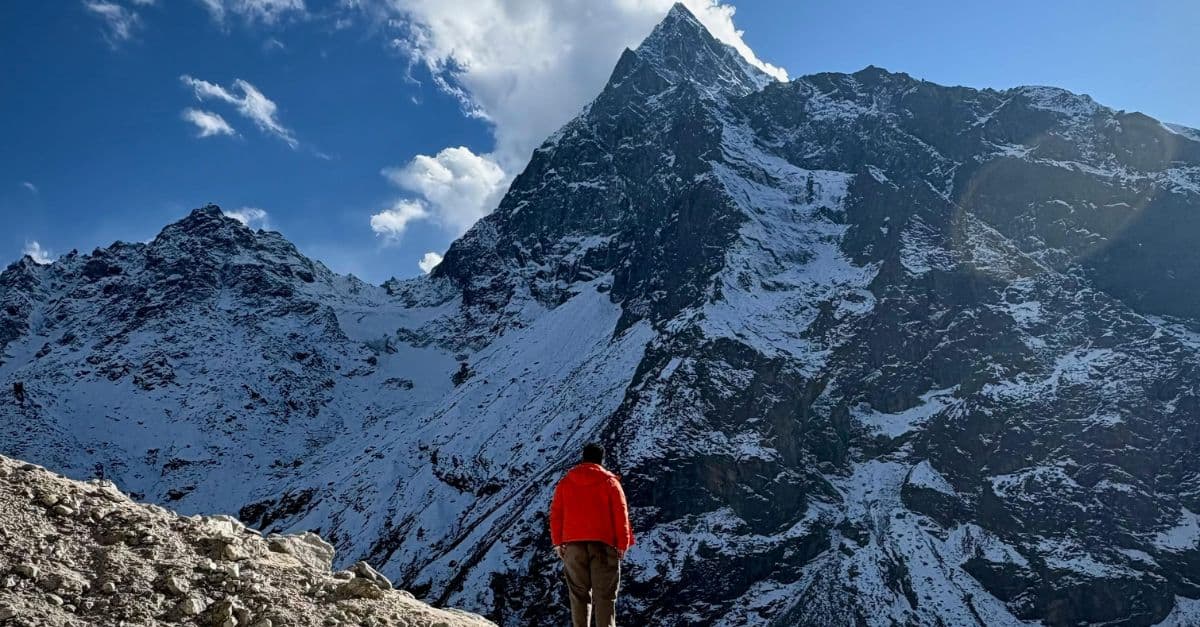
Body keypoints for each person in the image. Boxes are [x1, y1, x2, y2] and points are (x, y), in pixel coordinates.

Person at [549, 442, 634, 627]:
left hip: (573, 546)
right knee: (605, 596)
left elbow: (556, 514)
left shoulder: (566, 482)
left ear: (583, 458)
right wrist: (623, 544)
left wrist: (558, 542)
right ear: (601, 460)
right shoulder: (610, 482)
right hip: (604, 546)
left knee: (578, 595)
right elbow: (621, 514)